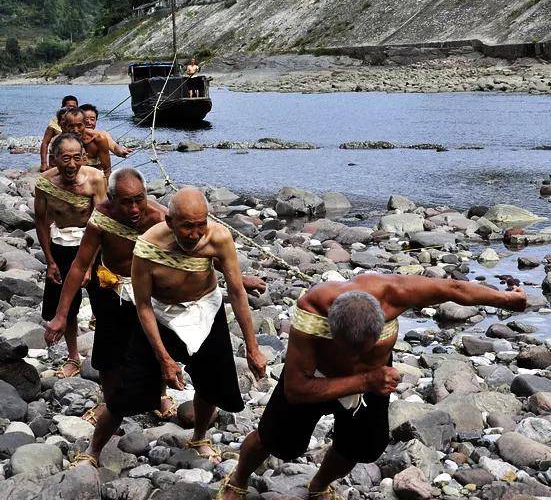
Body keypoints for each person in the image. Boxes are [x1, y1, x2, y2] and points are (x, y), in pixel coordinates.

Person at [218, 274, 528, 500]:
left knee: (361, 448)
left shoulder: (397, 292)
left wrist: (505, 299)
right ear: (331, 327)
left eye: (365, 347)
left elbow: (454, 288)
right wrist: (366, 379)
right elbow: (296, 389)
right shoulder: (312, 310)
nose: (356, 356)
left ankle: (318, 486)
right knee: (276, 441)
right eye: (348, 348)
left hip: (372, 382)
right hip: (318, 379)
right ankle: (239, 478)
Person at [45, 169, 267, 423]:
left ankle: (160, 396)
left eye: (139, 199)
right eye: (126, 202)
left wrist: (238, 278)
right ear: (111, 198)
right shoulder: (102, 218)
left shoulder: (163, 218)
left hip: (151, 292)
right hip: (113, 287)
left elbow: (193, 250)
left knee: (153, 348)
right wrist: (61, 315)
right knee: (109, 354)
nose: (134, 208)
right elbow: (79, 265)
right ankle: (110, 404)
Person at [34, 133, 106, 378]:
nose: (72, 164)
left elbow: (101, 222)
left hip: (93, 246)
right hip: (61, 244)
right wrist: (50, 261)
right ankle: (73, 356)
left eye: (77, 157)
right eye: (65, 158)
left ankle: (106, 358)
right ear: (54, 159)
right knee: (66, 308)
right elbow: (41, 220)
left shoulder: (95, 179)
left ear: (84, 157)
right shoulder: (44, 183)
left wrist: (88, 264)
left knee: (104, 303)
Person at [63, 108, 111, 180]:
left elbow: (107, 170)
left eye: (79, 126)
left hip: (94, 179)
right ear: (65, 127)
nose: (76, 130)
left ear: (84, 125)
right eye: (71, 126)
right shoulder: (61, 142)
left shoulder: (99, 139)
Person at [39, 95, 78, 172]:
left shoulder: (79, 122)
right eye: (69, 107)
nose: (71, 109)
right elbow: (45, 143)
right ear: (63, 107)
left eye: (74, 107)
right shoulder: (53, 124)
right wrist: (43, 163)